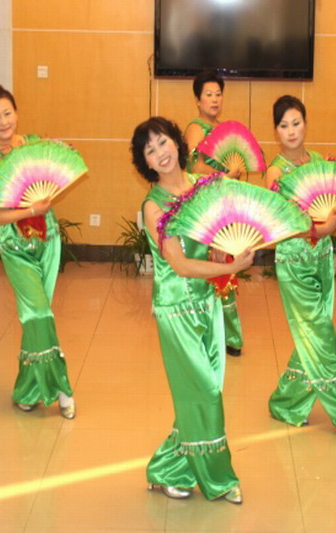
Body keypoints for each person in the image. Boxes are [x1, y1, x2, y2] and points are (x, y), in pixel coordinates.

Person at [131, 116, 254, 503]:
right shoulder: (153, 206)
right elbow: (180, 265)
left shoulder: (204, 187)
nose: (160, 153)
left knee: (203, 392)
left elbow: (215, 236)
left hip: (209, 304)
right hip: (176, 311)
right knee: (206, 392)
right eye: (150, 150)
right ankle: (220, 480)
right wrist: (232, 268)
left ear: (177, 143)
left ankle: (168, 468)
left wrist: (224, 251)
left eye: (163, 142)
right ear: (145, 163)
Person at [265, 96, 336, 447]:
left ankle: (287, 401)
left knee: (311, 332)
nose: (291, 131)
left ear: (305, 124)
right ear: (276, 131)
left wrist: (330, 230)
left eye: (296, 123)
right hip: (294, 263)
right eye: (284, 125)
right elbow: (282, 226)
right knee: (321, 333)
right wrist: (323, 229)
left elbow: (330, 209)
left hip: (322, 258)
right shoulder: (275, 173)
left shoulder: (320, 163)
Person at [0, 85, 75, 418]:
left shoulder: (33, 145)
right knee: (38, 314)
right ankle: (62, 387)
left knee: (38, 317)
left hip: (48, 241)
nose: (3, 121)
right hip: (15, 246)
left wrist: (61, 155)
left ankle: (28, 389)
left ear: (17, 114)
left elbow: (55, 173)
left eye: (8, 113)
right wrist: (29, 209)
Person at [184, 69, 244, 357]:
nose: (214, 99)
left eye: (218, 94)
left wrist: (235, 174)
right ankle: (209, 333)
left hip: (223, 205)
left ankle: (229, 335)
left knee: (225, 265)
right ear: (198, 100)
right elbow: (193, 168)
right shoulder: (195, 128)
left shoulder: (224, 129)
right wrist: (225, 173)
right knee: (207, 266)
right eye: (208, 94)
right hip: (204, 207)